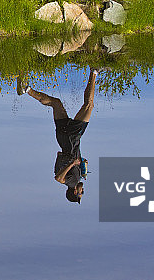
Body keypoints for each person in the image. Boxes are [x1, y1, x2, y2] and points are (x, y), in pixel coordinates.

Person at [17, 68, 99, 203]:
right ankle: (27, 89)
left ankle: (94, 72)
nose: (82, 191)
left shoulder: (71, 182)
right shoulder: (75, 177)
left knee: (88, 105)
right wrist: (79, 162)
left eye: (81, 193)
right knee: (56, 104)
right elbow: (60, 156)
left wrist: (73, 163)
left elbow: (58, 179)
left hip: (73, 137)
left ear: (74, 192)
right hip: (62, 137)